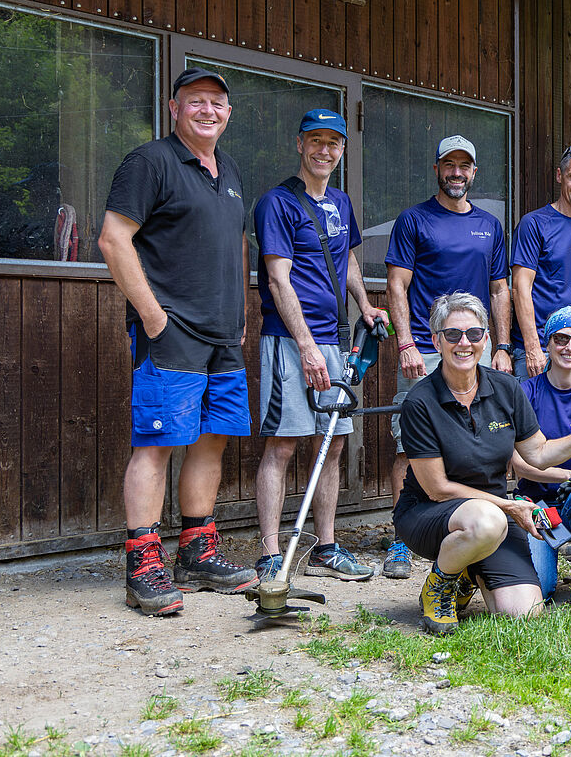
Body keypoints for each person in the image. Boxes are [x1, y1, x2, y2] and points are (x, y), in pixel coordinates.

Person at [98, 67, 257, 615]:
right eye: (195, 102)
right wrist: (152, 316)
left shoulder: (230, 169)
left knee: (212, 440)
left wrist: (239, 312)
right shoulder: (150, 162)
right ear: (174, 108)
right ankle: (143, 563)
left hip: (223, 336)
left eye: (217, 102)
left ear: (228, 113)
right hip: (172, 331)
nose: (207, 110)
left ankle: (197, 552)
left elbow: (236, 244)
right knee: (157, 442)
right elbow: (113, 239)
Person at [395, 292, 571, 635]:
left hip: (493, 516)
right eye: (453, 334)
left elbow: (539, 454)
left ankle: (468, 571)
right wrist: (509, 506)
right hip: (432, 515)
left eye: (473, 334)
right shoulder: (420, 402)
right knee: (486, 521)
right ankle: (441, 582)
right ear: (437, 340)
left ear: (486, 339)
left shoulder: (506, 389)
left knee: (524, 613)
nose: (464, 343)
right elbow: (438, 488)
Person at [252, 109, 390, 584]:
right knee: (284, 444)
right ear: (300, 144)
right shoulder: (277, 203)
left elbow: (347, 257)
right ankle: (271, 552)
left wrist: (366, 306)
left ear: (342, 150)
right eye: (315, 140)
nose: (324, 150)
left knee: (330, 446)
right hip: (291, 342)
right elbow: (277, 277)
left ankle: (326, 548)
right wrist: (307, 346)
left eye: (333, 142)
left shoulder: (341, 202)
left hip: (336, 341)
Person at [383, 135, 512, 581]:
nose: (457, 172)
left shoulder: (490, 226)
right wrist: (405, 343)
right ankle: (402, 539)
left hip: (475, 347)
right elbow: (397, 285)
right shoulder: (414, 219)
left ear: (474, 172)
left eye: (465, 166)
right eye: (449, 165)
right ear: (437, 169)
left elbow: (499, 289)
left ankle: (472, 526)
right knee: (409, 442)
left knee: (477, 439)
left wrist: (500, 345)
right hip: (425, 346)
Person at [511, 307, 571, 598]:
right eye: (561, 339)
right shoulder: (526, 393)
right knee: (539, 587)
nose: (570, 348)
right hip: (538, 505)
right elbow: (519, 464)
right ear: (548, 342)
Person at [511, 144, 571, 382]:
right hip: (539, 350)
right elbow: (521, 287)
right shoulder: (534, 224)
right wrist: (533, 347)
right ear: (559, 176)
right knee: (534, 419)